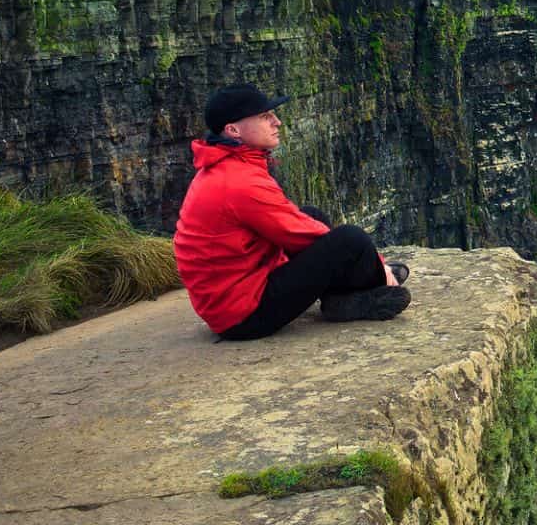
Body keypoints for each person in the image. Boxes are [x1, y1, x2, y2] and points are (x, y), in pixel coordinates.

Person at [174, 83, 410, 340]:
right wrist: (381, 268)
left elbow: (294, 223)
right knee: (351, 240)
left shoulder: (227, 165)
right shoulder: (239, 181)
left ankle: (342, 298)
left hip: (235, 294)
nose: (277, 122)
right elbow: (301, 235)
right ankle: (364, 289)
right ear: (233, 130)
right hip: (243, 315)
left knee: (312, 215)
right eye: (265, 116)